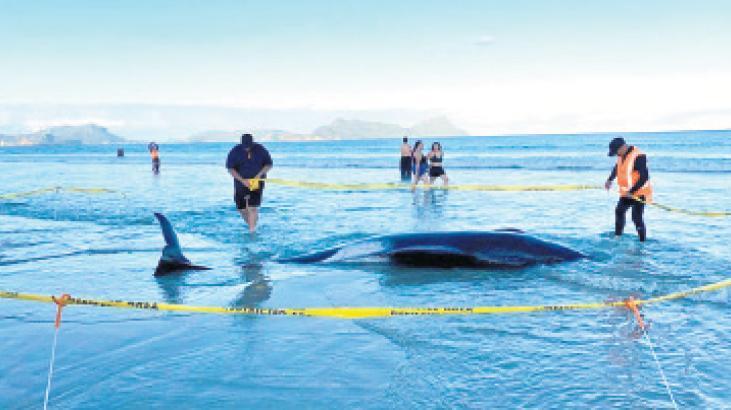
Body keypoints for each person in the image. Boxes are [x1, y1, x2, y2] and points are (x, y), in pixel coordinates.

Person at [604, 137, 652, 242]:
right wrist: (609, 180)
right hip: (627, 192)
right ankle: (618, 236)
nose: (616, 155)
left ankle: (642, 241)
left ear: (622, 147)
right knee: (619, 211)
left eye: (616, 152)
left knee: (636, 218)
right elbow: (617, 168)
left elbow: (644, 177)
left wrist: (632, 191)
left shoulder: (639, 156)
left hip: (640, 192)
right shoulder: (621, 155)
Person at [226, 134, 273, 234]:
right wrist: (242, 180)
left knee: (252, 207)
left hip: (257, 182)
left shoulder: (261, 149)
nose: (247, 148)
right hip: (240, 182)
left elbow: (269, 164)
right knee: (241, 209)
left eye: (249, 146)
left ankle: (252, 232)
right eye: (245, 146)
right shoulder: (235, 151)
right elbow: (230, 168)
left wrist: (259, 175)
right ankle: (252, 225)